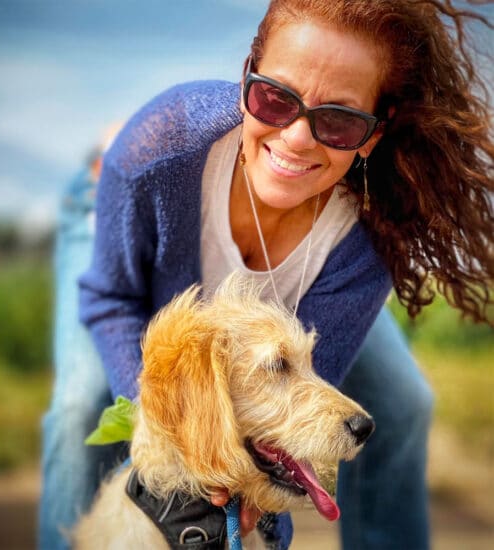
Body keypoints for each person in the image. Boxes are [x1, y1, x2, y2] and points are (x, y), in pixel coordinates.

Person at [39, 1, 493, 549]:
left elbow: (288, 428)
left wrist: (259, 517)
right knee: (81, 406)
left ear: (373, 133)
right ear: (246, 80)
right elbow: (112, 299)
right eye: (276, 97)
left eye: (340, 119)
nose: (298, 137)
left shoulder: (375, 233)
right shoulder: (157, 152)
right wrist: (174, 431)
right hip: (124, 217)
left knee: (401, 403)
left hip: (282, 315)